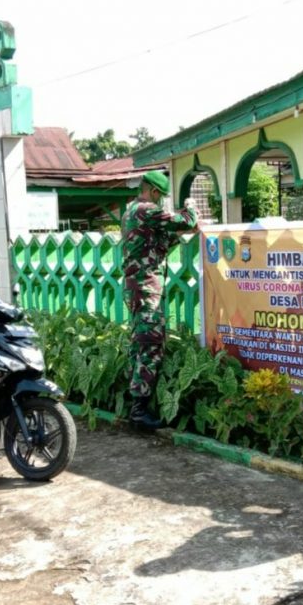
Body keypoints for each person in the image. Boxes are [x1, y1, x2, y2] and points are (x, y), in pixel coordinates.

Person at [121, 170, 199, 428]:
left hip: (137, 287)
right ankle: (139, 410)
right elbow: (186, 221)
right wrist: (191, 208)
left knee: (139, 341)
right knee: (150, 343)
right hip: (145, 288)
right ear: (153, 191)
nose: (161, 201)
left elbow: (158, 244)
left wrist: (179, 235)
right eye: (161, 196)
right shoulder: (145, 209)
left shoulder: (132, 212)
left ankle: (135, 405)